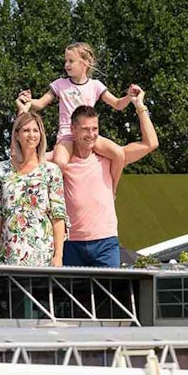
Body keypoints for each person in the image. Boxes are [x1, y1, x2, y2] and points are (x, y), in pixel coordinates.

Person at [47, 87, 158, 267]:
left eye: (95, 129)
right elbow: (26, 158)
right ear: (73, 129)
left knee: (110, 293)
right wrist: (24, 111)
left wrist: (140, 107)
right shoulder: (59, 159)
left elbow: (151, 143)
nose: (91, 135)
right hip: (70, 243)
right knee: (71, 295)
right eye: (85, 129)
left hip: (105, 243)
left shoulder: (109, 158)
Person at [16, 42, 137, 192]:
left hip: (88, 134)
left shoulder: (95, 85)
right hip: (67, 134)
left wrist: (129, 96)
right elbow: (40, 104)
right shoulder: (60, 84)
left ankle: (111, 191)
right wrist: (28, 100)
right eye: (65, 60)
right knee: (60, 161)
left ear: (85, 63)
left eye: (71, 61)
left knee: (119, 154)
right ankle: (57, 195)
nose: (66, 64)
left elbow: (118, 104)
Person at [0, 112, 68, 266]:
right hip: (8, 256)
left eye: (35, 130)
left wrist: (58, 256)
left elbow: (58, 216)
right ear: (16, 135)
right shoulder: (0, 170)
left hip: (42, 257)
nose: (31, 135)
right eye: (26, 130)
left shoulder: (51, 171)